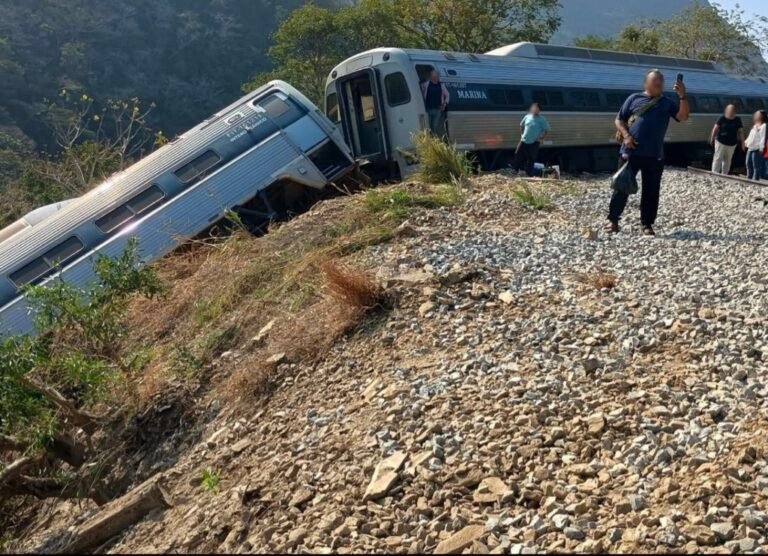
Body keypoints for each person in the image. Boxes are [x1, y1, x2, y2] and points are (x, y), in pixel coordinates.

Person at [606, 69, 689, 236]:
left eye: (661, 81)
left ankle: (647, 224)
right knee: (621, 187)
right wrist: (626, 135)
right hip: (630, 151)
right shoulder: (634, 98)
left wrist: (682, 96)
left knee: (651, 191)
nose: (659, 83)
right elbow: (619, 119)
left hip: (654, 154)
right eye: (655, 80)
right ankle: (612, 220)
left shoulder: (666, 102)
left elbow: (682, 116)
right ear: (646, 83)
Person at [515, 102, 550, 176]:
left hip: (534, 142)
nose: (535, 110)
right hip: (523, 140)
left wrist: (542, 138)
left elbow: (547, 129)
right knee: (518, 154)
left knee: (531, 158)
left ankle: (528, 173)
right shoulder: (527, 116)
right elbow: (521, 125)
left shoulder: (542, 119)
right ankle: (520, 170)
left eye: (537, 108)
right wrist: (522, 135)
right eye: (533, 108)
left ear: (539, 110)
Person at [710, 104, 744, 175]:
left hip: (732, 143)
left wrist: (742, 143)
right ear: (726, 110)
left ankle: (724, 175)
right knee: (718, 158)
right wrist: (712, 138)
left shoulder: (737, 119)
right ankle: (714, 173)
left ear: (734, 111)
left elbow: (740, 132)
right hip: (720, 141)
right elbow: (715, 128)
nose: (731, 111)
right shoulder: (722, 118)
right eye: (729, 109)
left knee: (727, 160)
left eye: (732, 110)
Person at [421, 69, 450, 137]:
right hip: (428, 109)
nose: (434, 77)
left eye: (435, 76)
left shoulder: (441, 86)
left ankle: (434, 140)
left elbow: (447, 95)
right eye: (433, 76)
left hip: (437, 109)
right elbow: (421, 89)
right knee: (428, 126)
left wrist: (444, 104)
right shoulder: (426, 84)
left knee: (434, 126)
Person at [745, 110, 766, 181]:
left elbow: (763, 137)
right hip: (750, 147)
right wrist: (746, 142)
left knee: (756, 165)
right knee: (748, 163)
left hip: (757, 148)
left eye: (758, 114)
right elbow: (751, 135)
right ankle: (749, 178)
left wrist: (761, 148)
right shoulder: (754, 126)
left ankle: (755, 180)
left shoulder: (764, 126)